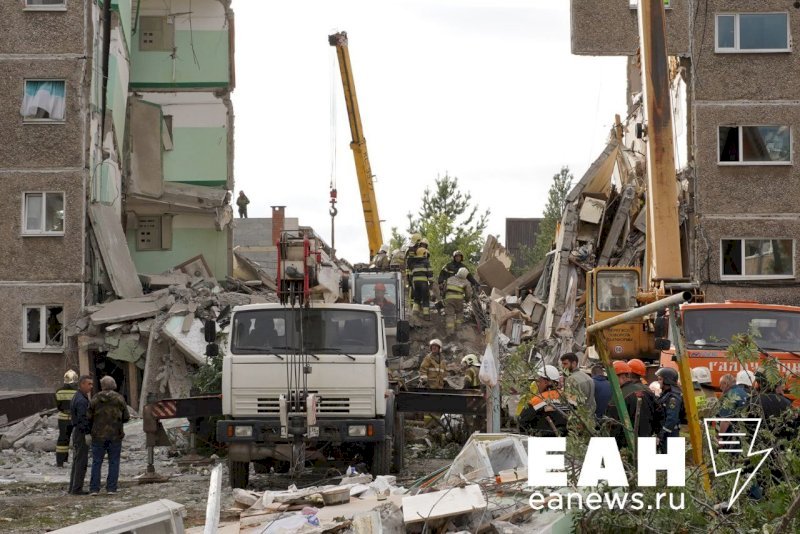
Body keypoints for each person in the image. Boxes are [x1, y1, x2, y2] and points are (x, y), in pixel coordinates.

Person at [88, 376, 130, 495]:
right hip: (115, 435)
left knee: (96, 462)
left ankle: (94, 489)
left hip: (98, 435)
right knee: (114, 461)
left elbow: (89, 416)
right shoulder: (119, 398)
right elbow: (126, 417)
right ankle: (111, 488)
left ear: (102, 385)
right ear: (113, 385)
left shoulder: (95, 398)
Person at [606, 361, 659, 448]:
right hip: (647, 438)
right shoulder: (647, 390)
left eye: (612, 378)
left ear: (622, 376)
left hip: (628, 444)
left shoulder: (619, 396)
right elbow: (659, 413)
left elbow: (613, 424)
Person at [519, 365, 571, 437]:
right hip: (567, 442)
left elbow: (522, 422)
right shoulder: (569, 397)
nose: (537, 384)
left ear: (546, 382)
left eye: (539, 381)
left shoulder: (537, 400)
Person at [68, 375, 93, 495]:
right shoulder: (81, 400)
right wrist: (87, 433)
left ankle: (73, 487)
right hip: (81, 432)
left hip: (78, 431)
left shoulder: (79, 396)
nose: (91, 387)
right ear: (82, 384)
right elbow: (83, 418)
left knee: (77, 459)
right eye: (89, 384)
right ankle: (77, 488)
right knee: (81, 461)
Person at [559, 353, 596, 418]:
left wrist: (562, 394)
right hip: (590, 416)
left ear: (574, 363)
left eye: (565, 364)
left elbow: (570, 402)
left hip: (578, 418)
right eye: (562, 364)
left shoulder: (571, 379)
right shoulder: (587, 376)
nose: (563, 366)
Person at [655, 367, 682, 452]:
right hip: (667, 432)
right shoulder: (666, 394)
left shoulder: (673, 398)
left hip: (670, 433)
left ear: (667, 380)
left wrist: (662, 434)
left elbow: (672, 418)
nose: (658, 381)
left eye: (660, 379)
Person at [718, 370, 753, 434]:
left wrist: (720, 436)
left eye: (721, 385)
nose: (720, 388)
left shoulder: (731, 395)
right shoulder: (745, 392)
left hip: (734, 433)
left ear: (726, 383)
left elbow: (726, 420)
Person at [55, 370, 79, 468]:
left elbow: (58, 406)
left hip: (62, 418)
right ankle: (77, 461)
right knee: (77, 439)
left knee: (62, 439)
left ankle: (60, 461)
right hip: (75, 418)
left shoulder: (59, 392)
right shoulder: (78, 392)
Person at [443, 268, 473, 334]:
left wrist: (443, 297)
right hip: (459, 299)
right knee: (459, 313)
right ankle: (458, 329)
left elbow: (444, 289)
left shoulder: (450, 279)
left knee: (450, 315)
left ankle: (450, 332)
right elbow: (468, 293)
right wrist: (467, 300)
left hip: (449, 299)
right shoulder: (466, 282)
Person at [410, 247, 433, 319]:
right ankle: (426, 315)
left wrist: (412, 284)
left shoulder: (413, 262)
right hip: (423, 282)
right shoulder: (426, 261)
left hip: (415, 282)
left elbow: (411, 275)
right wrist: (431, 282)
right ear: (424, 253)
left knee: (417, 298)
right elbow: (429, 272)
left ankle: (414, 314)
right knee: (425, 298)